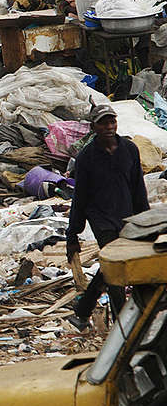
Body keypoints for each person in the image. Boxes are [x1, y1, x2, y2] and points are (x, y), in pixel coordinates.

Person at [66, 104, 149, 330]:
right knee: (114, 272)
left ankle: (83, 309)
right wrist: (73, 234)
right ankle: (122, 325)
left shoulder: (129, 150)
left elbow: (138, 188)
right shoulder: (86, 158)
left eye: (112, 121)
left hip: (126, 216)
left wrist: (146, 222)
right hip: (101, 219)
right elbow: (80, 197)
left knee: (115, 268)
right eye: (103, 123)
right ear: (93, 127)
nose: (109, 127)